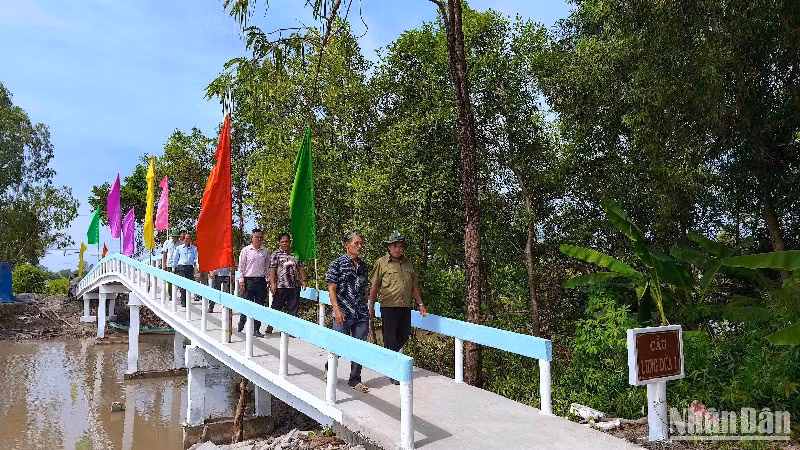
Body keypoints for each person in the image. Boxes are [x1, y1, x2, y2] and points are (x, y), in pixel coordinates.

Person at [369, 232, 427, 385]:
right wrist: (371, 307)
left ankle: (386, 358)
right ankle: (392, 371)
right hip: (389, 307)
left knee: (404, 335)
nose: (398, 249)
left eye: (400, 246)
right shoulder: (381, 263)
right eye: (395, 246)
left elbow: (414, 286)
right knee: (390, 338)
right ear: (389, 247)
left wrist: (420, 304)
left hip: (405, 306)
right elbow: (374, 287)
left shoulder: (408, 263)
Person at [325, 231, 370, 393]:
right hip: (343, 312)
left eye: (361, 243)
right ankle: (329, 368)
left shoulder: (364, 266)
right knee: (338, 345)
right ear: (347, 245)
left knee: (359, 347)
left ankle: (355, 379)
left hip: (361, 313)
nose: (359, 246)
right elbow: (331, 288)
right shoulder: (337, 264)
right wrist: (337, 310)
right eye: (356, 243)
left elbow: (365, 289)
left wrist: (367, 307)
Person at [266, 233, 307, 333]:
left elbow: (300, 267)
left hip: (294, 286)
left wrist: (304, 280)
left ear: (290, 242)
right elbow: (272, 269)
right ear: (279, 243)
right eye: (282, 242)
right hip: (281, 286)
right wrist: (272, 283)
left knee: (293, 309)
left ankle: (291, 330)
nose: (284, 243)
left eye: (286, 241)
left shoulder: (296, 253)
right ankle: (270, 326)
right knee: (276, 307)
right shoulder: (276, 254)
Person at [237, 228, 270, 337]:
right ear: (252, 237)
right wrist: (241, 281)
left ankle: (256, 329)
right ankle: (242, 321)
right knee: (247, 304)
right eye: (257, 237)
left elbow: (267, 267)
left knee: (259, 306)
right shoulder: (246, 250)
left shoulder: (265, 251)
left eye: (261, 237)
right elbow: (241, 267)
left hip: (261, 281)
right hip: (248, 281)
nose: (259, 239)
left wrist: (269, 280)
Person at [172, 231, 198, 307]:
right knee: (183, 284)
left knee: (189, 285)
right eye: (186, 238)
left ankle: (186, 299)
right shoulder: (179, 248)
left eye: (189, 238)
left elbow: (196, 258)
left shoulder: (194, 248)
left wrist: (197, 266)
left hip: (189, 267)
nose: (187, 240)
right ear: (183, 239)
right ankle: (183, 301)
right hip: (181, 267)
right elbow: (175, 259)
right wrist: (173, 269)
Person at [161, 229, 183, 300]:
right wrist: (164, 264)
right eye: (174, 237)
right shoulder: (167, 242)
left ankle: (182, 295)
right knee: (170, 281)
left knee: (179, 280)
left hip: (178, 264)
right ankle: (171, 295)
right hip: (169, 264)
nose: (176, 238)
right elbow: (164, 254)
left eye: (177, 237)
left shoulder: (181, 243)